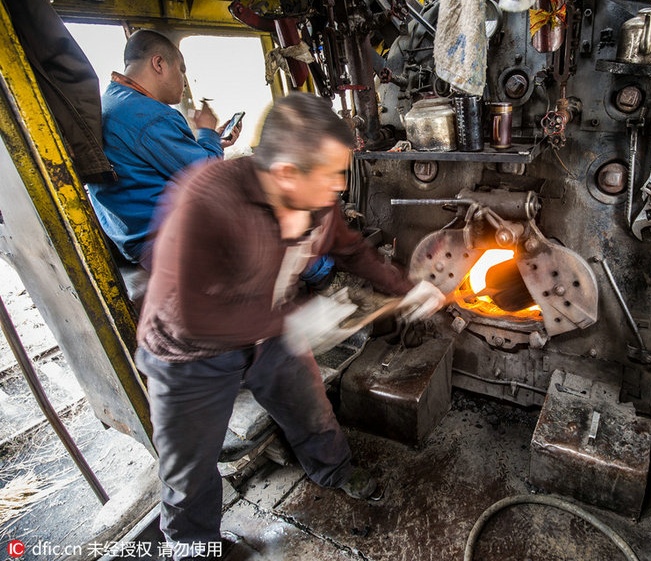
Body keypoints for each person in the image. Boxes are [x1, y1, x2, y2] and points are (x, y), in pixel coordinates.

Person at [136, 92, 445, 559]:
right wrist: (300, 320)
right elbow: (193, 312)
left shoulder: (317, 200)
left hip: (272, 331)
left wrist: (408, 289)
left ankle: (334, 471)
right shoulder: (205, 200)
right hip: (190, 353)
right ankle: (194, 548)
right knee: (188, 468)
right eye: (332, 176)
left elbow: (352, 250)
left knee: (310, 407)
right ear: (285, 173)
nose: (340, 187)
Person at [87, 29, 241, 270]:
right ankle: (318, 274)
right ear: (159, 64)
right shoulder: (148, 115)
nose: (183, 81)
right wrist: (208, 131)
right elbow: (208, 176)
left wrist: (215, 142)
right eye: (181, 70)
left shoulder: (112, 100)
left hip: (132, 238)